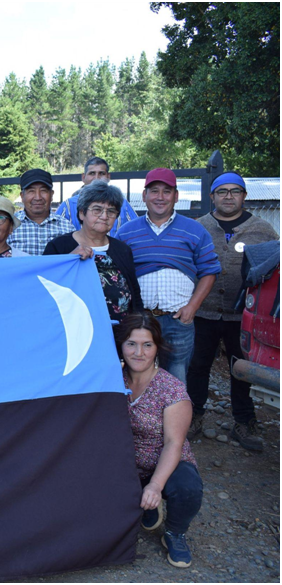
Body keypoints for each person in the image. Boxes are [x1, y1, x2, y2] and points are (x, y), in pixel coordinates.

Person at [186, 172, 280, 450]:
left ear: (244, 196)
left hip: (244, 317)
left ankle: (244, 421)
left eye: (235, 191)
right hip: (204, 311)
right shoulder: (197, 227)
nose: (228, 196)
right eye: (222, 191)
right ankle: (193, 417)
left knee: (242, 369)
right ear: (212, 196)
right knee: (198, 366)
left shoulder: (263, 230)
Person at [115, 312, 203, 568]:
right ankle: (145, 506)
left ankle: (175, 532)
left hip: (163, 461)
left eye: (147, 345)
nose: (138, 352)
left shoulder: (172, 389)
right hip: (125, 462)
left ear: (157, 347)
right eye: (131, 344)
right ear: (121, 346)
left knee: (187, 487)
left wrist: (155, 484)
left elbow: (174, 443)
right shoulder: (111, 379)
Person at [117, 168, 220, 383]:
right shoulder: (126, 232)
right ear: (144, 196)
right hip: (140, 320)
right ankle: (139, 417)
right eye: (154, 191)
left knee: (176, 377)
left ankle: (176, 418)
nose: (160, 197)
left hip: (178, 320)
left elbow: (209, 271)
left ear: (176, 196)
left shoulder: (195, 230)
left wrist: (191, 308)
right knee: (136, 376)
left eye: (167, 191)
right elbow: (115, 273)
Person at [44, 181, 143, 321]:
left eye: (111, 211)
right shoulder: (59, 247)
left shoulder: (122, 250)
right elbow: (46, 287)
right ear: (81, 213)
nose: (104, 216)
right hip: (76, 330)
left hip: (121, 332)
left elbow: (135, 293)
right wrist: (69, 259)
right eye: (97, 210)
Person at [56, 156, 138, 236]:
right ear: (83, 177)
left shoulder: (122, 204)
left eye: (101, 173)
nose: (97, 178)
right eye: (92, 173)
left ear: (108, 177)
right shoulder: (68, 206)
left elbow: (137, 231)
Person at [7, 169, 75, 255]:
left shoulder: (67, 227)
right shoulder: (9, 226)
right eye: (31, 191)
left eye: (43, 191)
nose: (38, 197)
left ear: (52, 194)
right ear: (22, 196)